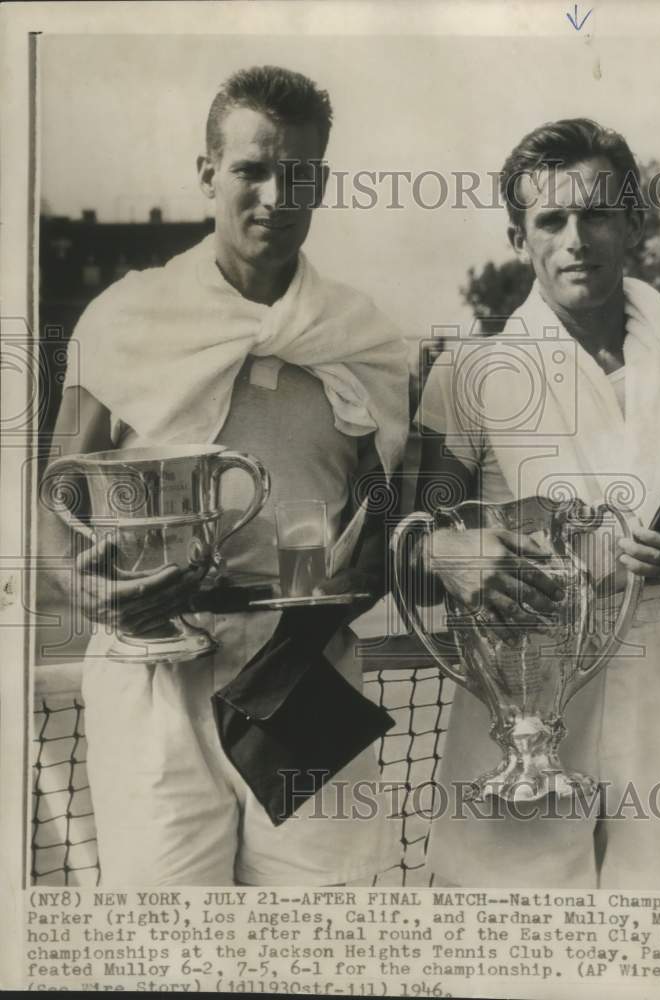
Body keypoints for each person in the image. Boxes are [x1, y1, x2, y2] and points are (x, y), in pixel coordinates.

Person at [40, 65, 410, 886]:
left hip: (303, 666)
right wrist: (88, 591)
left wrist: (350, 581)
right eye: (252, 169)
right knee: (169, 952)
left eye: (301, 174)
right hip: (151, 673)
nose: (277, 195)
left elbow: (379, 517)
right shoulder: (125, 317)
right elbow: (56, 494)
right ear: (207, 171)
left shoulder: (362, 334)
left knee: (319, 949)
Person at [414, 119, 660, 889]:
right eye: (552, 219)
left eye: (598, 213)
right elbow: (418, 544)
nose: (577, 238)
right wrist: (454, 553)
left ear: (631, 219)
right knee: (513, 943)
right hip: (522, 674)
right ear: (517, 235)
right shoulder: (470, 372)